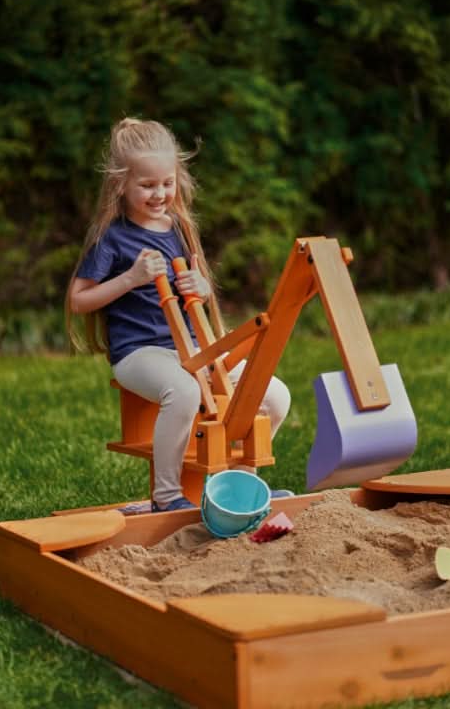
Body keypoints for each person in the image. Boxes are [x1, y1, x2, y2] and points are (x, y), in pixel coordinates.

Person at [66, 117, 291, 512]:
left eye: (167, 183)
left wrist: (202, 288)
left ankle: (241, 487)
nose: (159, 194)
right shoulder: (112, 238)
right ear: (122, 184)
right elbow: (78, 300)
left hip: (193, 346)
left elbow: (201, 283)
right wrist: (130, 279)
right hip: (139, 352)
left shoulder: (180, 228)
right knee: (184, 392)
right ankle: (167, 496)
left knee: (274, 394)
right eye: (147, 185)